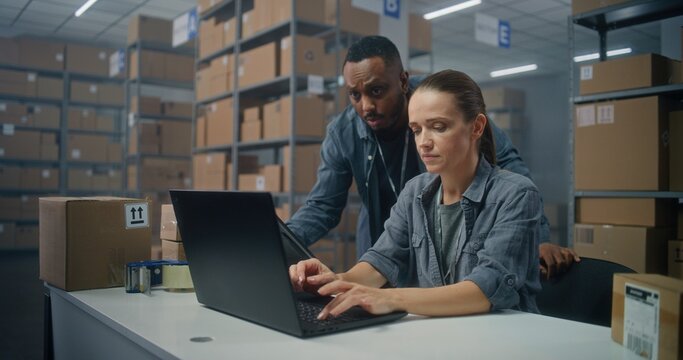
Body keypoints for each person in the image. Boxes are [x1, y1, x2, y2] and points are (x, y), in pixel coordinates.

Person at [285, 36, 578, 279]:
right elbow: (323, 205)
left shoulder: (440, 98)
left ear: (402, 81)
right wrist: (278, 245)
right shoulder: (344, 132)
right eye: (354, 95)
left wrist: (538, 238)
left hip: (447, 231)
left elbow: (510, 168)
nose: (366, 106)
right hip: (387, 235)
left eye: (376, 91)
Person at [289, 69, 542, 318]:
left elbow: (485, 289)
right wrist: (334, 280)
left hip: (501, 340)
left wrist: (390, 298)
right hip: (440, 339)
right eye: (417, 130)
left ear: (476, 127)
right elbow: (381, 260)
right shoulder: (415, 192)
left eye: (438, 127)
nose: (424, 142)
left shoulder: (516, 195)